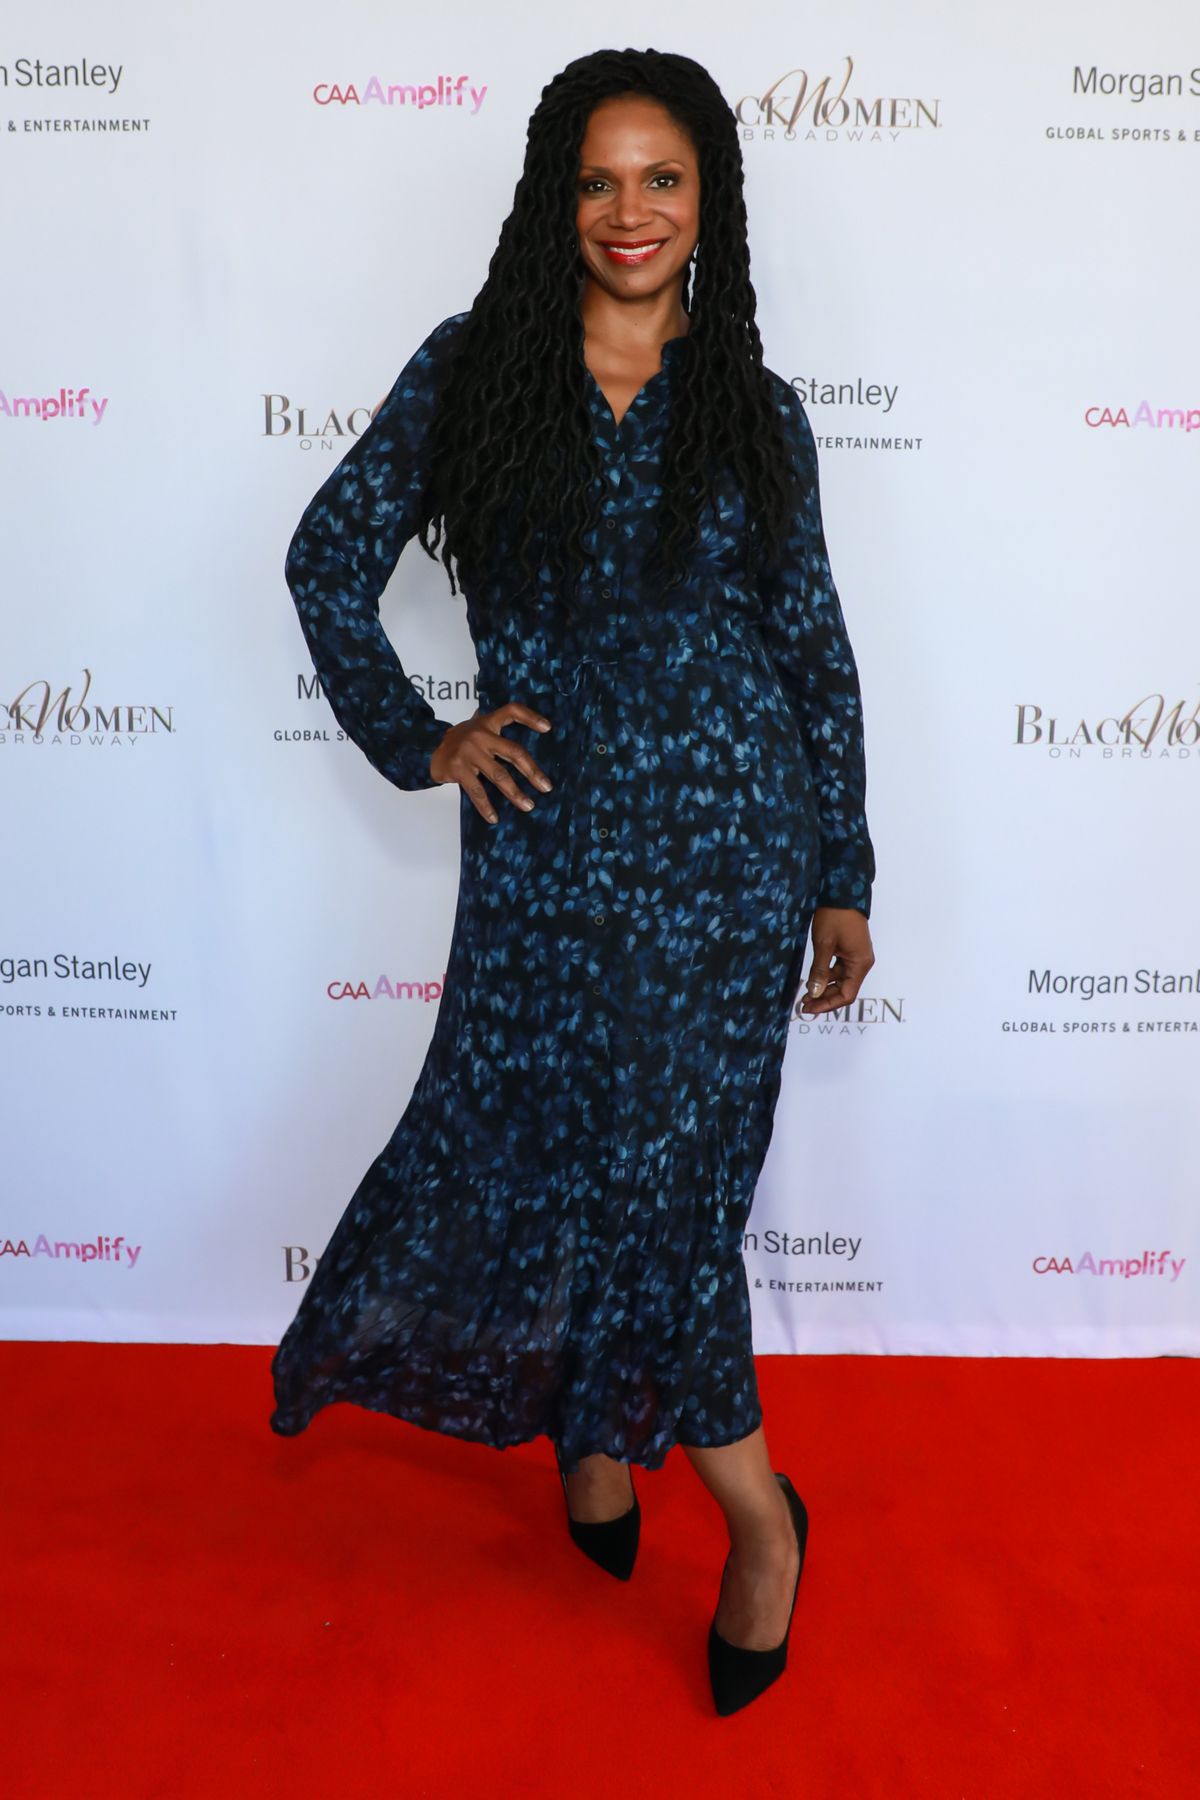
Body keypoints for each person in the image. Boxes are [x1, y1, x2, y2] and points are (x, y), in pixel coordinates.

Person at [269, 46, 876, 1716]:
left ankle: (757, 1521)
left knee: (671, 1198)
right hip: (542, 859)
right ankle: (599, 1457)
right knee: (549, 1152)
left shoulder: (754, 411)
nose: (631, 212)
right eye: (600, 179)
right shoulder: (474, 375)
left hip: (728, 858)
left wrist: (842, 866)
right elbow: (329, 558)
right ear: (557, 196)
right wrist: (426, 738)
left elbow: (810, 648)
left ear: (709, 206)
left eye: (663, 180)